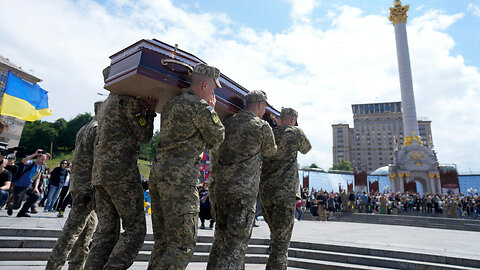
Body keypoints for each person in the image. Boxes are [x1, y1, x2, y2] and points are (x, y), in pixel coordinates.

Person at [147, 63, 225, 270]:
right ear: (206, 85)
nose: (215, 91)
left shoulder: (171, 104)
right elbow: (218, 137)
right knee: (182, 244)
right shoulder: (200, 108)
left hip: (159, 175)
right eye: (214, 87)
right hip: (180, 180)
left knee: (163, 243)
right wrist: (212, 109)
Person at [84, 69, 158, 270]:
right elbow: (144, 135)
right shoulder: (128, 101)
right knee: (135, 229)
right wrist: (149, 112)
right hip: (121, 176)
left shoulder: (105, 104)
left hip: (100, 175)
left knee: (105, 233)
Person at [207, 90, 277, 270]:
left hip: (221, 190)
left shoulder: (228, 122)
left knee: (220, 240)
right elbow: (271, 152)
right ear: (261, 105)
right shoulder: (261, 126)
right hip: (243, 195)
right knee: (235, 246)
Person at [46, 101, 103, 270]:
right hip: (87, 187)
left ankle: (76, 266)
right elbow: (99, 159)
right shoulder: (97, 129)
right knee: (71, 232)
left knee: (86, 233)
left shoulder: (85, 128)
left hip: (79, 184)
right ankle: (53, 266)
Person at [258, 107, 311, 270]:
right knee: (282, 242)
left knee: (276, 233)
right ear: (293, 120)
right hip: (285, 192)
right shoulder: (295, 132)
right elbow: (306, 148)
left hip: (266, 191)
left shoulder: (270, 131)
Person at [7, 150, 47, 217]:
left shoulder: (40, 167)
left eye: (44, 160)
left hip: (28, 186)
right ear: (38, 158)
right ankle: (11, 205)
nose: (43, 161)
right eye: (42, 159)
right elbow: (24, 161)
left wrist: (36, 187)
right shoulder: (31, 163)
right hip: (19, 186)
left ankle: (22, 212)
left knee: (35, 195)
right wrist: (34, 154)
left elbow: (38, 178)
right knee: (17, 206)